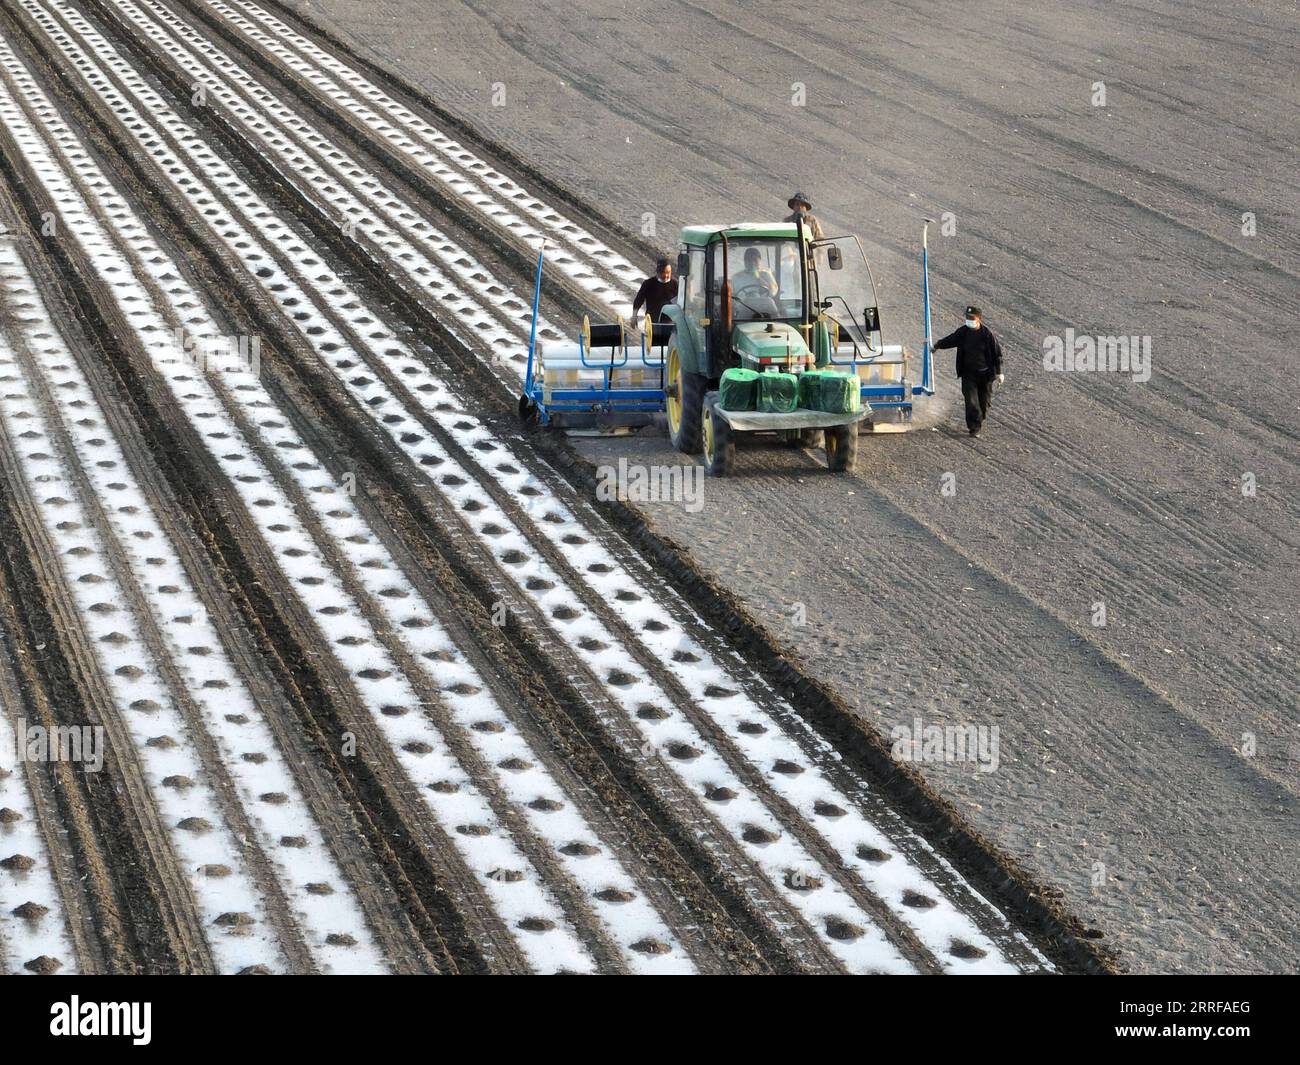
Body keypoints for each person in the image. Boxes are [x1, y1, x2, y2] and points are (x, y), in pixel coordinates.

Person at [932, 305, 1004, 437]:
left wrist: (999, 373)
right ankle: (974, 428)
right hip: (968, 374)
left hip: (985, 375)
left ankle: (979, 420)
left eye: (971, 318)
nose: (968, 320)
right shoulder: (963, 332)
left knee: (984, 403)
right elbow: (950, 340)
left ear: (979, 319)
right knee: (971, 401)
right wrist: (937, 345)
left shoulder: (987, 335)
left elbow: (997, 354)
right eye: (967, 317)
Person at [632, 257, 679, 323]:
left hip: (670, 323)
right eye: (663, 272)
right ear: (657, 272)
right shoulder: (649, 283)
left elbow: (680, 304)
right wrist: (634, 316)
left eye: (668, 272)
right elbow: (639, 300)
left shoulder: (675, 284)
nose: (666, 275)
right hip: (651, 323)